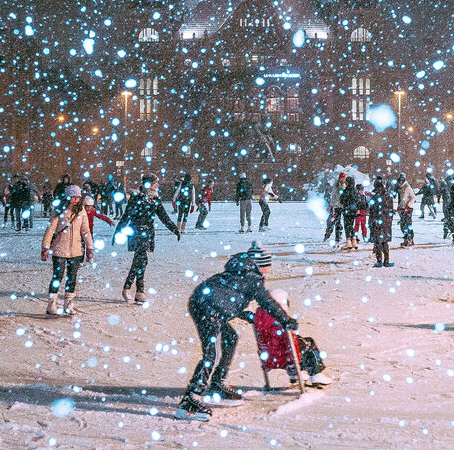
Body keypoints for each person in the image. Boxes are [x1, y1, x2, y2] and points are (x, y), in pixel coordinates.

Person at [176, 246, 297, 421]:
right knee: (213, 354)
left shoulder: (240, 271)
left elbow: (226, 296)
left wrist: (243, 314)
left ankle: (217, 382)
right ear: (261, 265)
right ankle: (191, 399)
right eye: (268, 265)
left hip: (204, 302)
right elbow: (268, 303)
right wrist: (286, 320)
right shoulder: (253, 279)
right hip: (209, 310)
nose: (269, 269)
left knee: (230, 338)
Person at [114, 173, 180, 304]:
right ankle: (132, 289)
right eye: (155, 182)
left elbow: (163, 216)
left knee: (141, 261)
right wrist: (117, 232)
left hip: (148, 233)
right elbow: (126, 216)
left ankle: (136, 291)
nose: (157, 185)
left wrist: (174, 229)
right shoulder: (136, 198)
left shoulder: (155, 199)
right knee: (141, 259)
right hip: (137, 232)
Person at [253, 288, 332, 388]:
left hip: (269, 357)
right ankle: (315, 373)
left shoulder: (259, 318)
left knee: (298, 340)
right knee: (308, 343)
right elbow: (291, 345)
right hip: (283, 357)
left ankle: (298, 373)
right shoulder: (281, 322)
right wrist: (294, 365)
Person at [40, 185, 94, 317]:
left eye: (78, 197)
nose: (76, 200)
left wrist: (90, 248)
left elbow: (85, 231)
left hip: (75, 251)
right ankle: (52, 303)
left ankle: (68, 303)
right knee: (57, 277)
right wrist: (45, 247)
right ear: (67, 197)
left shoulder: (81, 211)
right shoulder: (58, 210)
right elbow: (50, 229)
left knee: (72, 278)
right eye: (73, 197)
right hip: (59, 250)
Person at [369, 173, 393, 267]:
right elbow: (390, 211)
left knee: (378, 241)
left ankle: (379, 261)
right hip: (386, 222)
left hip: (377, 222)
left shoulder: (374, 198)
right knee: (384, 241)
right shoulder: (388, 197)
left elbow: (372, 212)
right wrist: (389, 220)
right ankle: (386, 261)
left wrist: (371, 222)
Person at [324, 172, 347, 242]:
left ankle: (340, 235)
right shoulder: (336, 185)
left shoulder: (344, 184)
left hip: (342, 205)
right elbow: (335, 195)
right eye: (342, 178)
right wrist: (332, 205)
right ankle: (333, 235)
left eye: (344, 178)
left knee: (340, 222)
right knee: (334, 221)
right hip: (337, 206)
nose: (343, 179)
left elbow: (343, 192)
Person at [397, 173, 415, 247]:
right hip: (403, 208)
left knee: (407, 225)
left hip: (408, 209)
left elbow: (413, 197)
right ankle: (406, 239)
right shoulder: (402, 188)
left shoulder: (407, 187)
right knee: (403, 225)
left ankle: (410, 239)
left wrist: (408, 206)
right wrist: (399, 206)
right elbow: (403, 199)